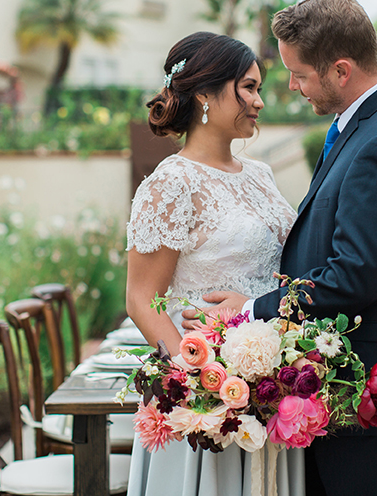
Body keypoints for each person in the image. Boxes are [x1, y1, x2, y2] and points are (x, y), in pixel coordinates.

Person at [182, 0, 377, 496]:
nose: (293, 86)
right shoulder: (358, 128)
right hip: (334, 388)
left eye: (299, 74)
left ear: (341, 71)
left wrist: (253, 309)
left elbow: (355, 276)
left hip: (369, 392)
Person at [124, 31, 304, 496]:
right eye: (248, 87)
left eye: (258, 88)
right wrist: (195, 385)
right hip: (209, 397)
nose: (259, 101)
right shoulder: (171, 185)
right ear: (204, 92)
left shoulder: (261, 175)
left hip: (272, 388)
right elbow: (142, 299)